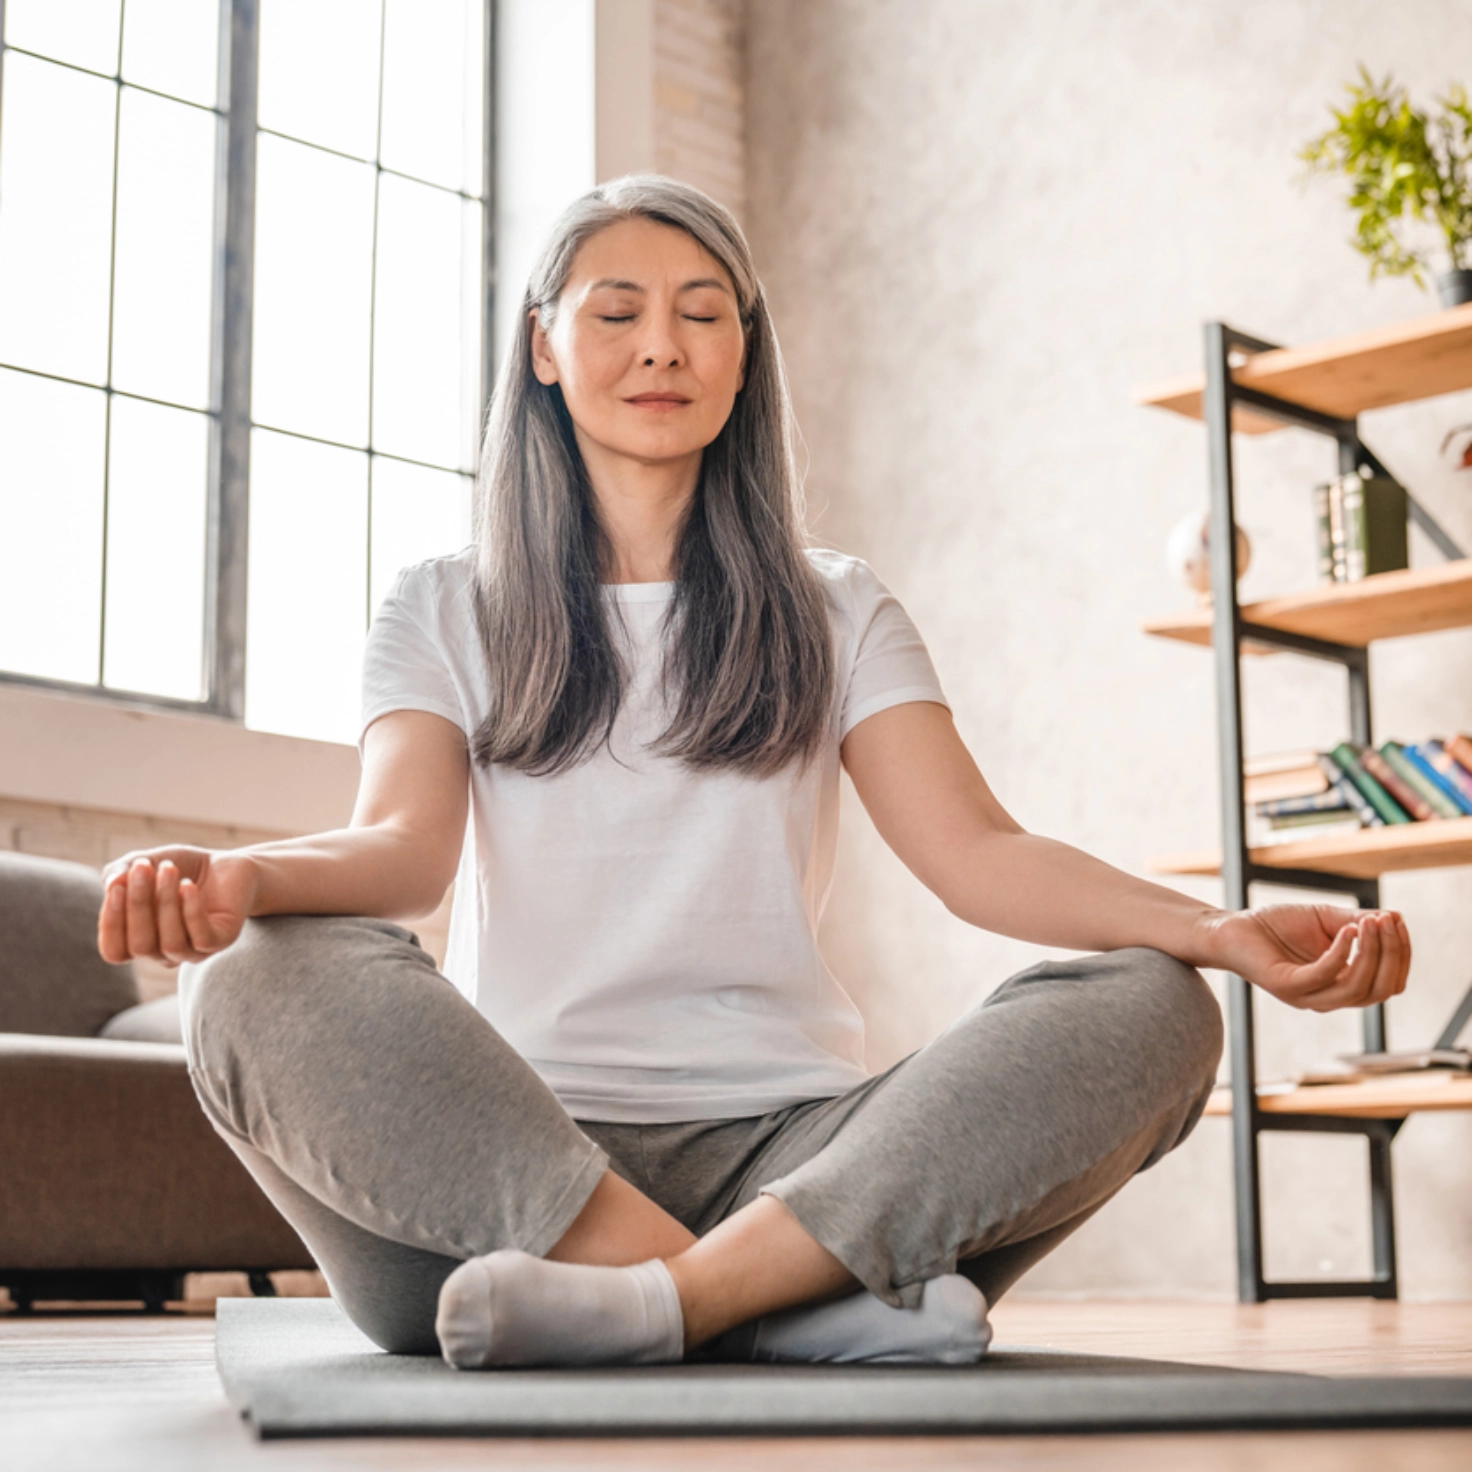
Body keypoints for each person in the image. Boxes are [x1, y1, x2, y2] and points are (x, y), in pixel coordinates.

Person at [96, 176, 1410, 1370]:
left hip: (800, 1161)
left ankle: (680, 1299)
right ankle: (769, 1303)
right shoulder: (445, 604)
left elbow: (982, 858)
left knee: (1159, 1010)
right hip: (495, 1177)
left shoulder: (836, 609)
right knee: (253, 975)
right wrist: (244, 876)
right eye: (616, 311)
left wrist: (1215, 932)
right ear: (544, 350)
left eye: (702, 312)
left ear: (743, 358)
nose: (660, 343)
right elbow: (399, 852)